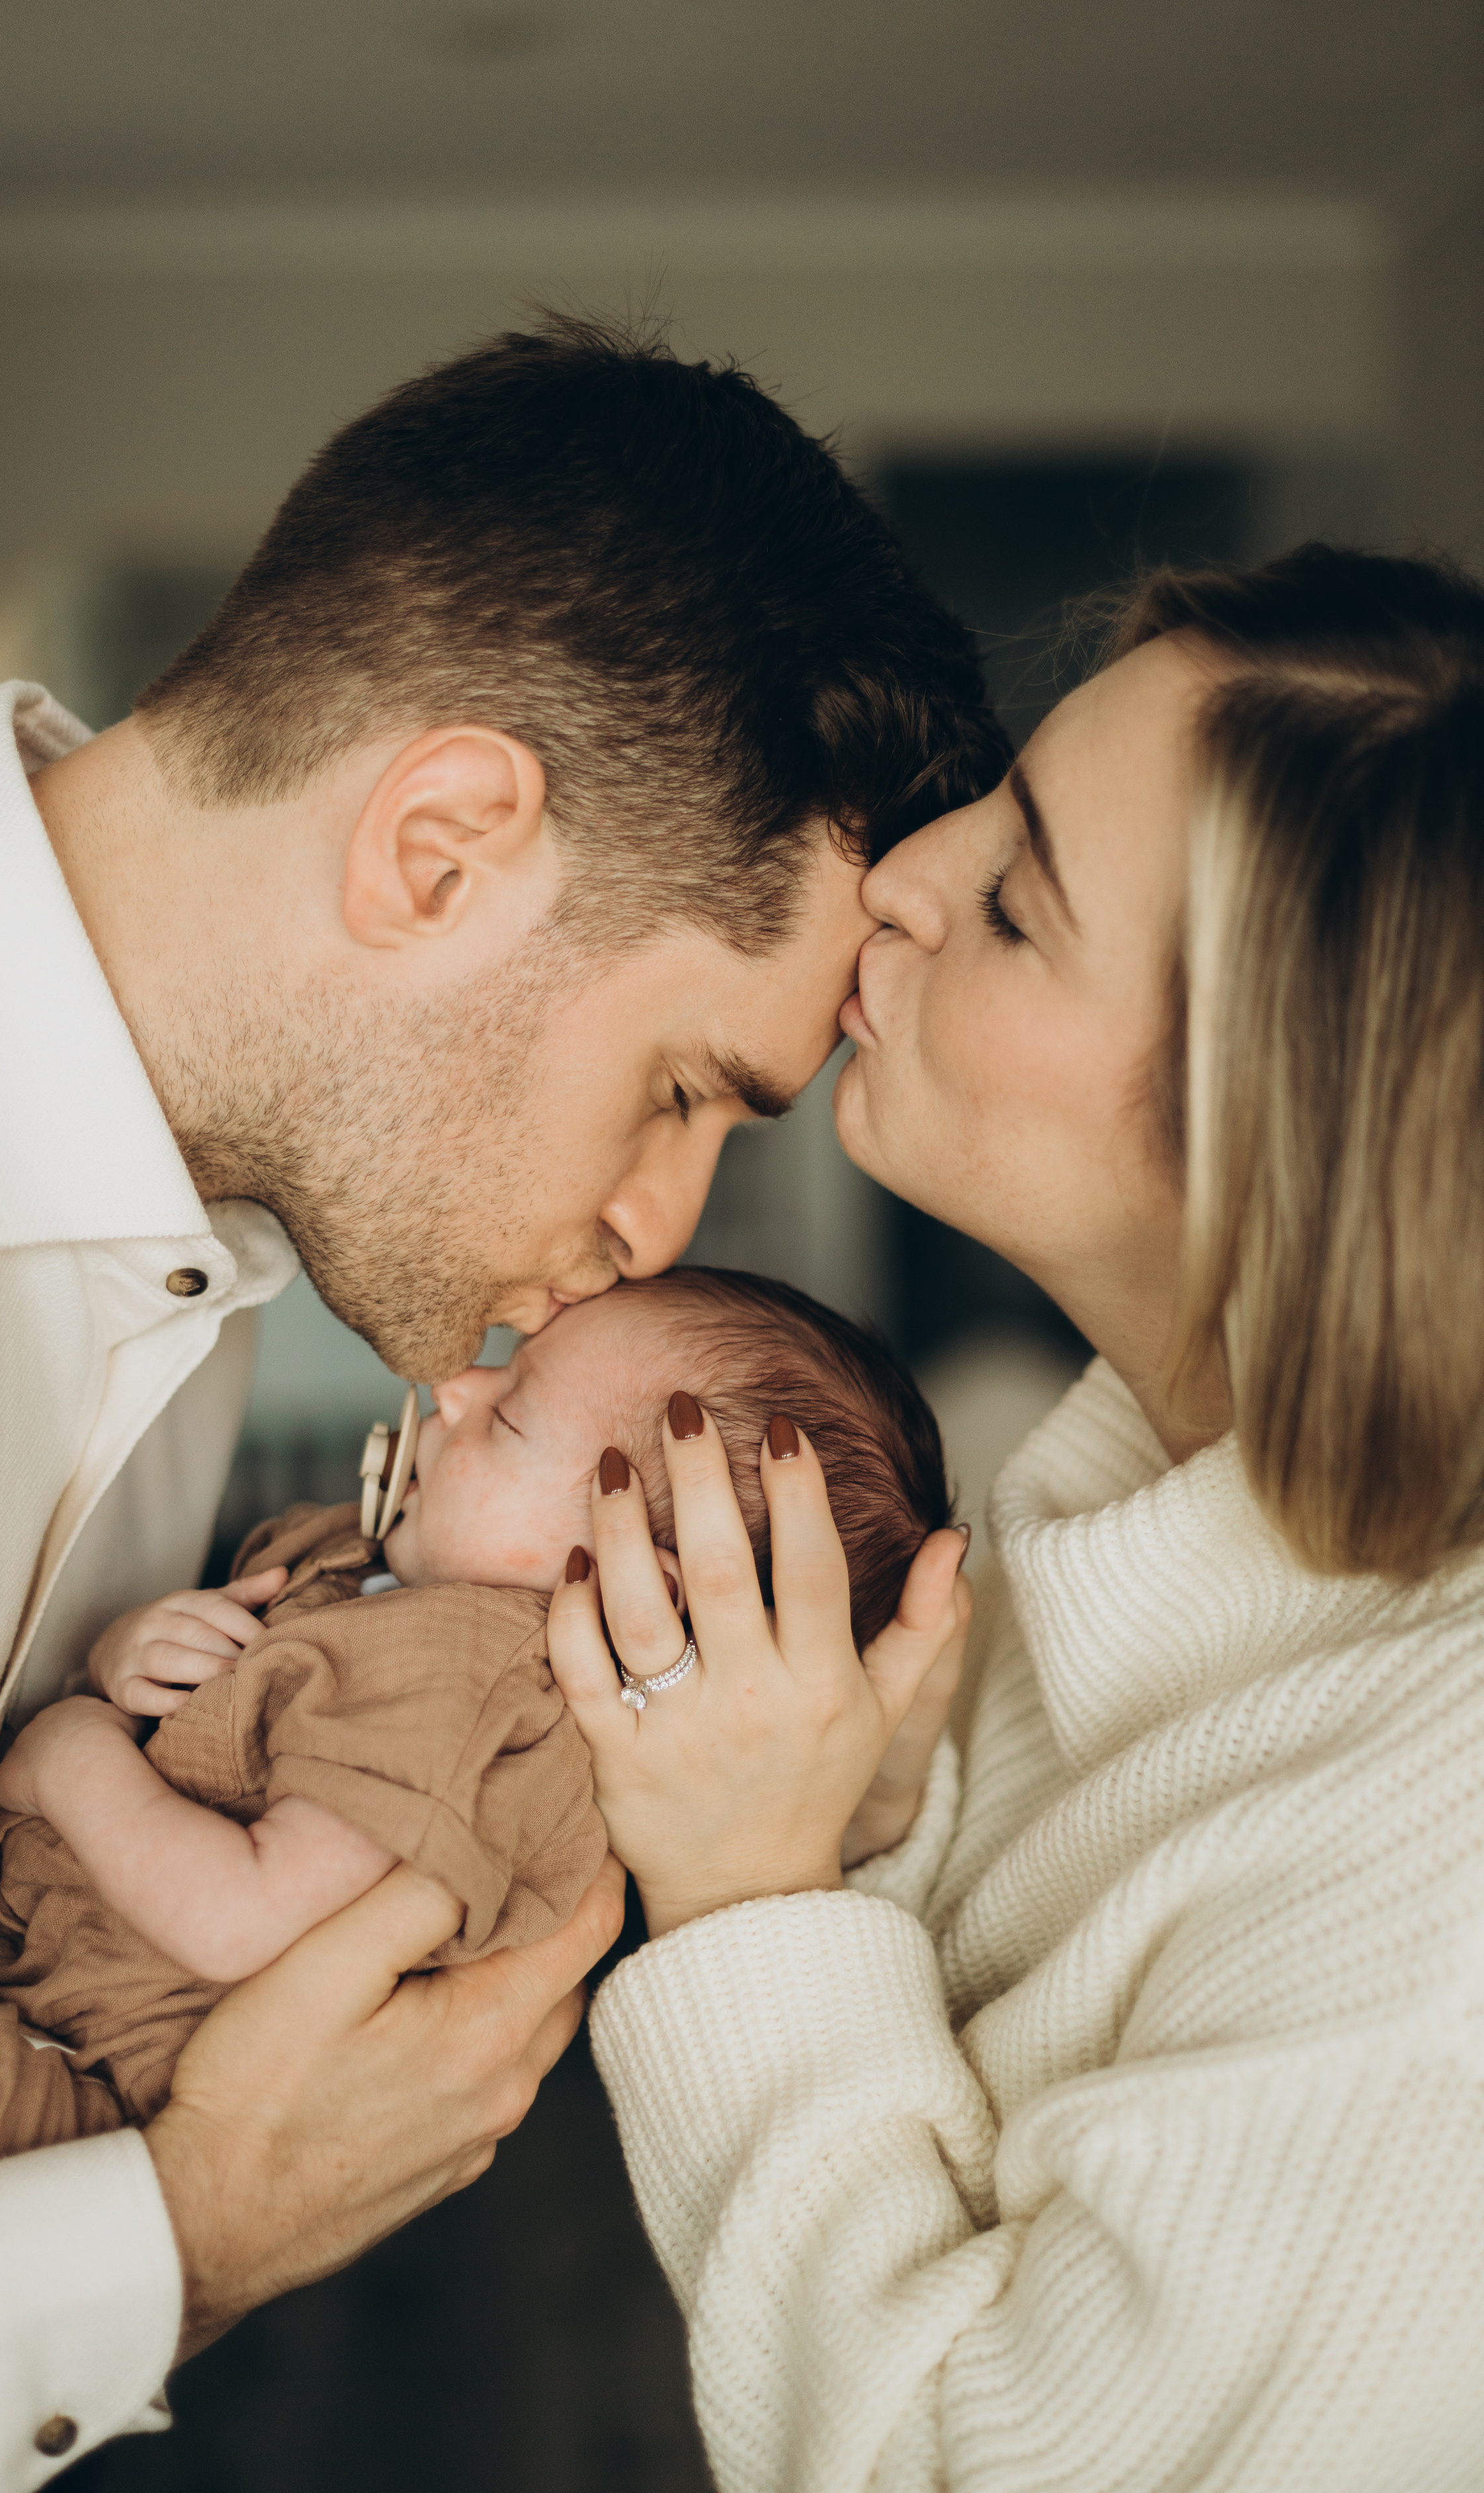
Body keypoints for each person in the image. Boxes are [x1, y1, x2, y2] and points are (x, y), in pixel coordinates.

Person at [0, 313, 1004, 2484]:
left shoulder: (178, 1255)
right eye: (681, 1088)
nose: (660, 1229)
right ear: (439, 848)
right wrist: (183, 2237)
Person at [552, 544, 1484, 2490]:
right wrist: (867, 1820)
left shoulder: (1438, 1944)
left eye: (1022, 903)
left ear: (1278, 1137)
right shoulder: (1118, 1513)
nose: (896, 874)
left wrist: (749, 1902)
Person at [0, 1267, 952, 2195]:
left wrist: (71, 1751)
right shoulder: (394, 1567)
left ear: (632, 1597)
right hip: (13, 1939)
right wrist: (137, 1651)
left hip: (97, 2062)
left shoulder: (473, 1695)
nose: (458, 1391)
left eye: (515, 1418)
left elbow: (237, 1915)